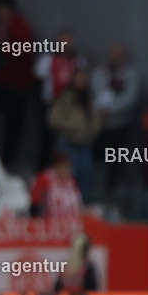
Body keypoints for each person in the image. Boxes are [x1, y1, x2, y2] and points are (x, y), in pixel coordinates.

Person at [0, 0, 35, 170]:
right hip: (4, 81)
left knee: (13, 125)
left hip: (17, 85)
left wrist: (1, 50)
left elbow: (23, 51)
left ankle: (9, 160)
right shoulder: (3, 26)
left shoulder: (21, 27)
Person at [91, 42, 141, 194]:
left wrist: (110, 111)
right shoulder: (100, 72)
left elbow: (130, 98)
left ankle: (114, 193)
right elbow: (95, 90)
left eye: (118, 53)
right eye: (112, 53)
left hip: (121, 126)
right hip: (99, 125)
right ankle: (96, 192)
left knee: (118, 162)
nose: (115, 56)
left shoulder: (131, 74)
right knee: (97, 160)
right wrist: (100, 110)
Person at [35, 27, 86, 170]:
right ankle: (43, 171)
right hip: (50, 105)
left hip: (71, 108)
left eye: (69, 40)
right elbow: (39, 80)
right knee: (47, 141)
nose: (67, 43)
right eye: (64, 40)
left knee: (66, 143)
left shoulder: (78, 60)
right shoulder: (48, 58)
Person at [47, 69, 98, 198]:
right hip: (68, 142)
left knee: (85, 175)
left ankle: (82, 205)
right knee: (68, 175)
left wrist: (93, 129)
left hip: (85, 142)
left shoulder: (90, 98)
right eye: (79, 79)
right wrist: (72, 126)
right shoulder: (66, 97)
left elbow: (95, 118)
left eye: (84, 80)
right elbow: (53, 118)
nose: (82, 83)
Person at [30, 151, 82, 217]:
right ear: (56, 166)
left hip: (72, 221)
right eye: (62, 166)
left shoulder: (71, 181)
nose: (66, 170)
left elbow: (79, 205)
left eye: (67, 166)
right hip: (51, 220)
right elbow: (35, 203)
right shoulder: (44, 179)